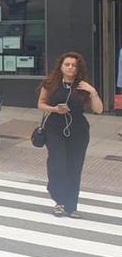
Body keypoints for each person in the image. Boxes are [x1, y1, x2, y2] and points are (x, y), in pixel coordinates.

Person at [38, 52, 103, 218]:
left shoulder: (82, 86)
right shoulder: (51, 83)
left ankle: (71, 205)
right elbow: (41, 104)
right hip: (54, 129)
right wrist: (55, 109)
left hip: (78, 131)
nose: (70, 67)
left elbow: (99, 110)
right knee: (57, 164)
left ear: (78, 68)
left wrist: (93, 92)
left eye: (74, 65)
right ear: (61, 66)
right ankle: (59, 201)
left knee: (74, 167)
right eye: (67, 64)